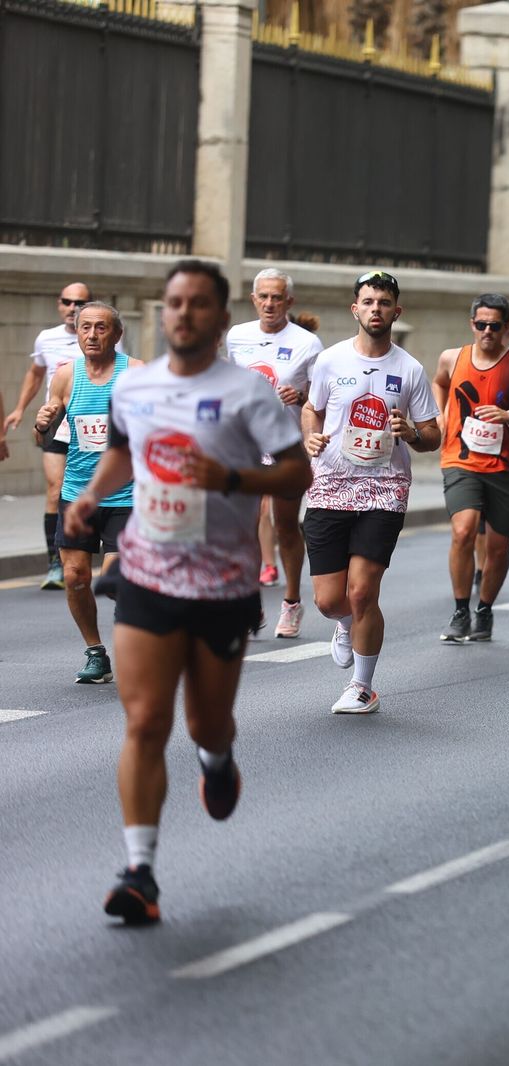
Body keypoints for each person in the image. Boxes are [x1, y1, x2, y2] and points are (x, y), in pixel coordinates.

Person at [66, 259, 311, 925]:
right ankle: (139, 871)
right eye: (174, 302)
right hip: (146, 572)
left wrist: (230, 480)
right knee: (145, 721)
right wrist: (90, 496)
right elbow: (123, 450)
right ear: (163, 311)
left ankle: (217, 756)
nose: (183, 313)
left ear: (221, 318)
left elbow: (297, 473)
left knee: (204, 721)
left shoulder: (248, 394)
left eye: (198, 304)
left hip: (222, 584)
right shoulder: (135, 387)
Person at [301, 271, 441, 713]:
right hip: (329, 484)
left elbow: (433, 434)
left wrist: (412, 432)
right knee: (328, 600)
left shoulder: (410, 369)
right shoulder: (330, 361)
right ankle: (344, 623)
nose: (376, 308)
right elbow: (311, 408)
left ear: (396, 311)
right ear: (355, 309)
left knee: (363, 592)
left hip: (385, 489)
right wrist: (310, 436)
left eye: (384, 302)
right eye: (368, 301)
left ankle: (363, 687)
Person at [32, 302, 143, 683]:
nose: (92, 335)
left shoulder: (136, 374)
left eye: (101, 328)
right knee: (76, 576)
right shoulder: (65, 376)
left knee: (114, 581)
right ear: (76, 333)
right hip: (78, 494)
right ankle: (97, 652)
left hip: (126, 496)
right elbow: (46, 434)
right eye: (85, 328)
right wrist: (41, 422)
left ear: (116, 334)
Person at [433, 294, 509, 643]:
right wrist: (443, 414)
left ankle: (484, 608)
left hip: (504, 468)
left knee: (498, 548)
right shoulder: (452, 358)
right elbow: (439, 382)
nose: (487, 331)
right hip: (460, 461)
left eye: (494, 326)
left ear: (505, 328)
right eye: (480, 324)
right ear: (472, 325)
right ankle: (460, 610)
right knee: (463, 530)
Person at [225, 268, 323, 636]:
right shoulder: (237, 337)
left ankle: (292, 602)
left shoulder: (307, 344)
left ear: (289, 302)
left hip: (287, 446)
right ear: (254, 299)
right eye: (263, 296)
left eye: (277, 297)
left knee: (284, 525)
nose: (269, 303)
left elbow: (323, 398)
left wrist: (299, 397)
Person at [7, 281, 95, 590]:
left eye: (79, 302)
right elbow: (35, 373)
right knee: (55, 489)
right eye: (67, 301)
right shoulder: (47, 338)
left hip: (92, 431)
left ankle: (94, 548)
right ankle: (56, 563)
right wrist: (20, 409)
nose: (72, 307)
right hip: (58, 427)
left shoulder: (101, 335)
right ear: (59, 304)